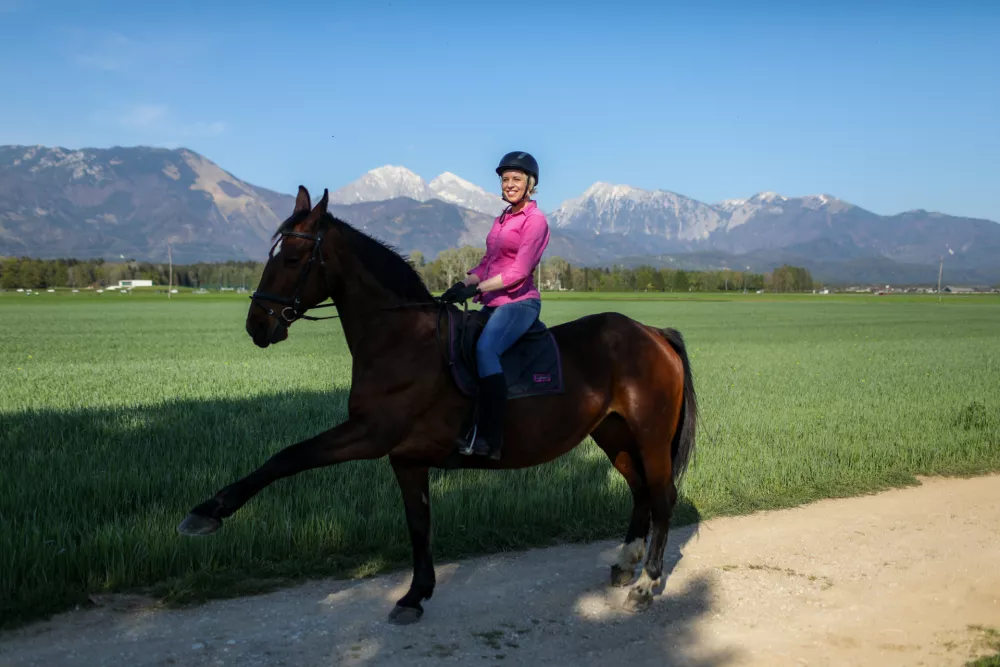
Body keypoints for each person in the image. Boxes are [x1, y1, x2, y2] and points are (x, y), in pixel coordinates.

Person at [440, 151, 550, 460]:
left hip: (519, 304)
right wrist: (464, 284)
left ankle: (491, 439)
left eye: (516, 179)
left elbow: (519, 272)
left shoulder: (535, 221)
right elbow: (488, 262)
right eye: (505, 179)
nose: (510, 184)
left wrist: (479, 290)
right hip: (493, 300)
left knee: (486, 350)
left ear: (530, 184)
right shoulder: (502, 219)